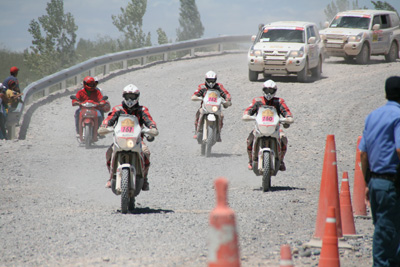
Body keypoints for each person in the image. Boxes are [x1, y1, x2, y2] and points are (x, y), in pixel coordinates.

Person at [359, 76, 400, 267]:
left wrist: (368, 182)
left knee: (386, 228)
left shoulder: (372, 116)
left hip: (376, 183)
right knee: (387, 233)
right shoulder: (398, 116)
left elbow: (363, 155)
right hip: (392, 183)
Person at [103, 84, 158, 191]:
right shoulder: (118, 109)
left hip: (137, 140)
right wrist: (104, 126)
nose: (130, 99)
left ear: (137, 97)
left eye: (132, 96)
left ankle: (145, 179)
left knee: (146, 153)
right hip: (120, 140)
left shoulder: (142, 110)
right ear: (123, 96)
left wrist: (152, 127)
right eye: (127, 96)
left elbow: (148, 120)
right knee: (109, 153)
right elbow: (110, 119)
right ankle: (111, 177)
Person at [243, 79, 294, 171]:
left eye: (271, 91)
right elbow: (249, 109)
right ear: (263, 90)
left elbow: (286, 111)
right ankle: (251, 160)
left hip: (275, 127)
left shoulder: (279, 101)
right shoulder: (257, 100)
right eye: (267, 90)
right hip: (260, 127)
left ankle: (281, 160)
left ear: (275, 91)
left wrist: (288, 117)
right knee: (249, 140)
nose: (269, 93)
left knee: (284, 139)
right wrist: (247, 115)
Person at [191, 70, 232, 141]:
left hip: (216, 107)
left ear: (215, 80)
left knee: (221, 116)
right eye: (209, 80)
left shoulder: (219, 86)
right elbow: (195, 94)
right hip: (205, 107)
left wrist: (227, 99)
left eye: (212, 80)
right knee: (198, 113)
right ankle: (196, 131)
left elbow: (225, 93)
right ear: (206, 79)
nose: (211, 82)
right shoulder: (202, 86)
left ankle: (218, 133)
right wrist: (196, 97)